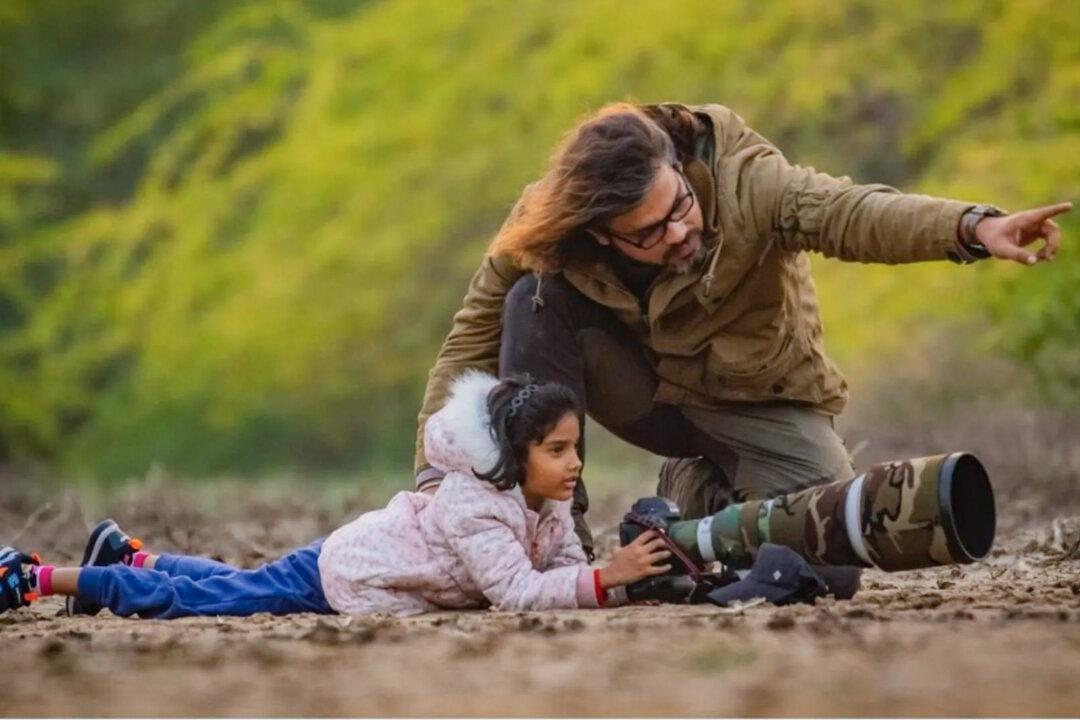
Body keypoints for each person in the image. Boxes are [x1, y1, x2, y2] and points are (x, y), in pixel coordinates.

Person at [413, 101, 1071, 559]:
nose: (679, 231)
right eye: (649, 231)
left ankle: (694, 494)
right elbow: (469, 343)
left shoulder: (747, 181)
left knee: (827, 556)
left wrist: (972, 227)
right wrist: (433, 481)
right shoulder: (547, 224)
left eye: (680, 205)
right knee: (531, 301)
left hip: (759, 399)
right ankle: (551, 541)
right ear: (601, 233)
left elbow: (852, 213)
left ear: (677, 165)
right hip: (649, 396)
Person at [0, 374, 671, 619]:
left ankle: (128, 557)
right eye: (556, 450)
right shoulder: (475, 506)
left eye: (575, 447)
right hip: (345, 574)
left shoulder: (545, 504)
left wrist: (615, 582)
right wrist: (605, 578)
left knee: (234, 585)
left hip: (357, 565)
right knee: (202, 602)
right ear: (516, 456)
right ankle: (37, 578)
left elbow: (558, 572)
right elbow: (518, 591)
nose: (574, 464)